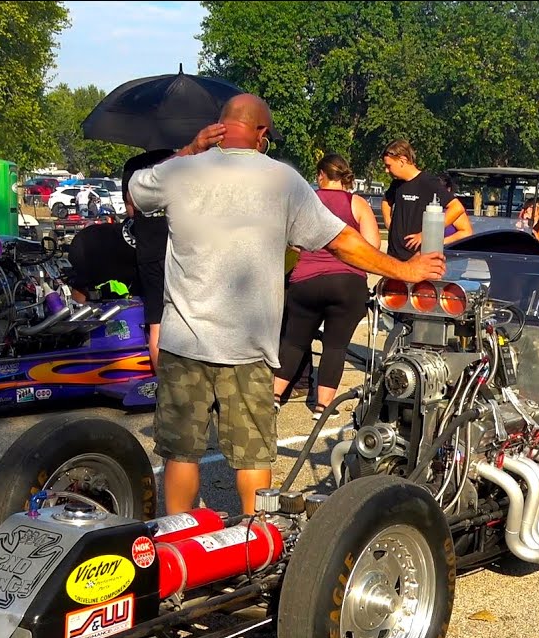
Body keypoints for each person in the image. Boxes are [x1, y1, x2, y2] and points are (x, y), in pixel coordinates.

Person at [127, 93, 445, 516]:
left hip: (185, 342)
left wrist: (189, 150)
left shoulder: (181, 171)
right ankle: (251, 540)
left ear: (219, 127)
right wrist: (405, 271)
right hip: (250, 346)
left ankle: (174, 537)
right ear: (261, 134)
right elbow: (343, 242)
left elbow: (136, 191)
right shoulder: (282, 180)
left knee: (181, 455)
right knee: (253, 457)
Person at [274, 153, 381, 420]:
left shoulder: (306, 201)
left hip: (307, 280)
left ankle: (275, 396)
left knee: (294, 342)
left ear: (321, 175)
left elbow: (291, 241)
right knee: (335, 346)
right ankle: (322, 407)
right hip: (347, 282)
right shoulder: (358, 204)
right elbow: (372, 245)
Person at [120, 148, 175, 371]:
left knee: (157, 323)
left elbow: (130, 211)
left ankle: (162, 383)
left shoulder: (133, 167)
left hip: (148, 251)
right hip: (175, 247)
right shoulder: (175, 161)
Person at [380, 140, 472, 260]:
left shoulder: (428, 182)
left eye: (389, 166)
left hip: (418, 258)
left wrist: (427, 233)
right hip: (393, 256)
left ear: (402, 161)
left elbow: (457, 208)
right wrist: (388, 221)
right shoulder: (397, 183)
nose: (386, 171)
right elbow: (386, 201)